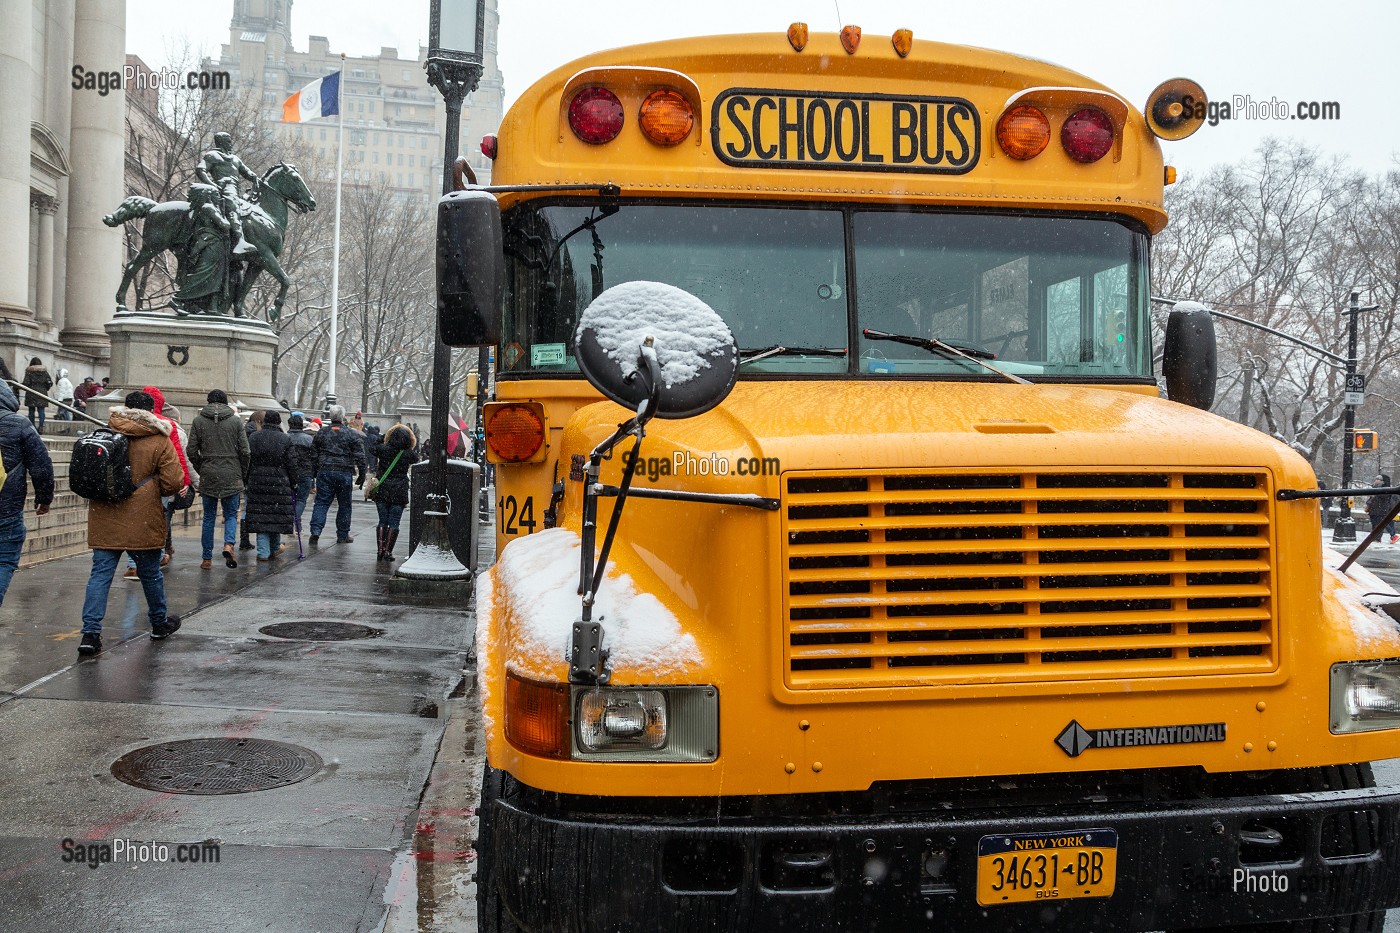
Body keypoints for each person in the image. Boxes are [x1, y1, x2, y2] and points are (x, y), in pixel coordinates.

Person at [76, 391, 185, 656]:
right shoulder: (159, 440)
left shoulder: (105, 433)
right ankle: (159, 623)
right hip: (143, 517)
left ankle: (90, 634)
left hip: (105, 516)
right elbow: (173, 482)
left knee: (100, 576)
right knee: (150, 574)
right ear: (151, 412)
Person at [122, 386, 193, 577]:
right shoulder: (166, 427)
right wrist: (182, 482)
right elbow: (178, 457)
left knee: (132, 524)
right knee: (157, 523)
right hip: (155, 485)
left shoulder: (119, 425)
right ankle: (156, 558)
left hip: (128, 482)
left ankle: (132, 564)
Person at [0, 381, 53, 604]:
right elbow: (41, 466)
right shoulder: (18, 423)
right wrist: (44, 499)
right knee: (4, 560)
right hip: (6, 507)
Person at [186, 388, 249, 569]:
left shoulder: (198, 422)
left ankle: (206, 558)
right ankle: (229, 544)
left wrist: (202, 466)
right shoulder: (236, 422)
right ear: (226, 403)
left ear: (207, 402)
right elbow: (245, 451)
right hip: (232, 473)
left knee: (208, 517)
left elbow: (191, 450)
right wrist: (241, 471)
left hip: (208, 473)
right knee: (230, 514)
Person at [194, 131, 259, 257]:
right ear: (221, 142)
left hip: (236, 190)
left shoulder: (235, 159)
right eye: (228, 141)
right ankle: (240, 241)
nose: (231, 144)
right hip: (224, 188)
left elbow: (246, 172)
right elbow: (200, 170)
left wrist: (254, 177)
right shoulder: (212, 155)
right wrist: (212, 184)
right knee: (232, 205)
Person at [309, 405, 366, 545]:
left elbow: (313, 453)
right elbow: (360, 455)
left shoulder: (322, 433)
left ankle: (315, 531)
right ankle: (342, 534)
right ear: (343, 418)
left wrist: (315, 470)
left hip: (325, 470)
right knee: (345, 505)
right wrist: (362, 473)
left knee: (321, 503)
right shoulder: (351, 434)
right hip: (344, 471)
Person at [246, 410, 295, 561]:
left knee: (261, 517)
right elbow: (291, 463)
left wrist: (247, 479)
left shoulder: (254, 437)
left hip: (257, 481)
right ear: (279, 422)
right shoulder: (285, 439)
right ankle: (273, 548)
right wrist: (293, 481)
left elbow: (247, 459)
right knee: (275, 516)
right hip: (279, 482)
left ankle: (263, 552)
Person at [372, 423, 419, 561]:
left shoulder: (383, 449)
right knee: (394, 522)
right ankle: (388, 551)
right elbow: (415, 457)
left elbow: (371, 448)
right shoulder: (408, 455)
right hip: (399, 491)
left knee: (382, 521)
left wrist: (382, 438)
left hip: (382, 489)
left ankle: (380, 550)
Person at [239, 410, 266, 551]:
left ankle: (244, 538)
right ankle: (259, 542)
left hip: (246, 476)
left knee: (246, 508)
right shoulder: (258, 436)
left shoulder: (243, 433)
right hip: (257, 476)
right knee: (259, 508)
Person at [286, 412, 317, 532]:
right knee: (301, 500)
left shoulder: (284, 438)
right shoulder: (309, 439)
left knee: (289, 499)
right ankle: (296, 517)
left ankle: (292, 519)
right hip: (305, 473)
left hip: (288, 473)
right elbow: (314, 457)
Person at [1368, 474, 1399, 546]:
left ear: (1383, 481)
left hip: (1381, 510)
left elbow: (1383, 497)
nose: (1376, 480)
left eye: (1378, 479)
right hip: (1375, 510)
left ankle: (1392, 535)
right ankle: (1377, 538)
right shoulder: (1374, 488)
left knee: (1383, 523)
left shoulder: (1386, 489)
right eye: (1376, 478)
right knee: (1378, 524)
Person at [21, 358, 52, 429]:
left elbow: (26, 383)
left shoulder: (29, 372)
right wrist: (45, 389)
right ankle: (41, 426)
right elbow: (49, 383)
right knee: (41, 410)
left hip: (31, 393)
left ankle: (32, 426)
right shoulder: (45, 372)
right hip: (42, 393)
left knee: (31, 411)